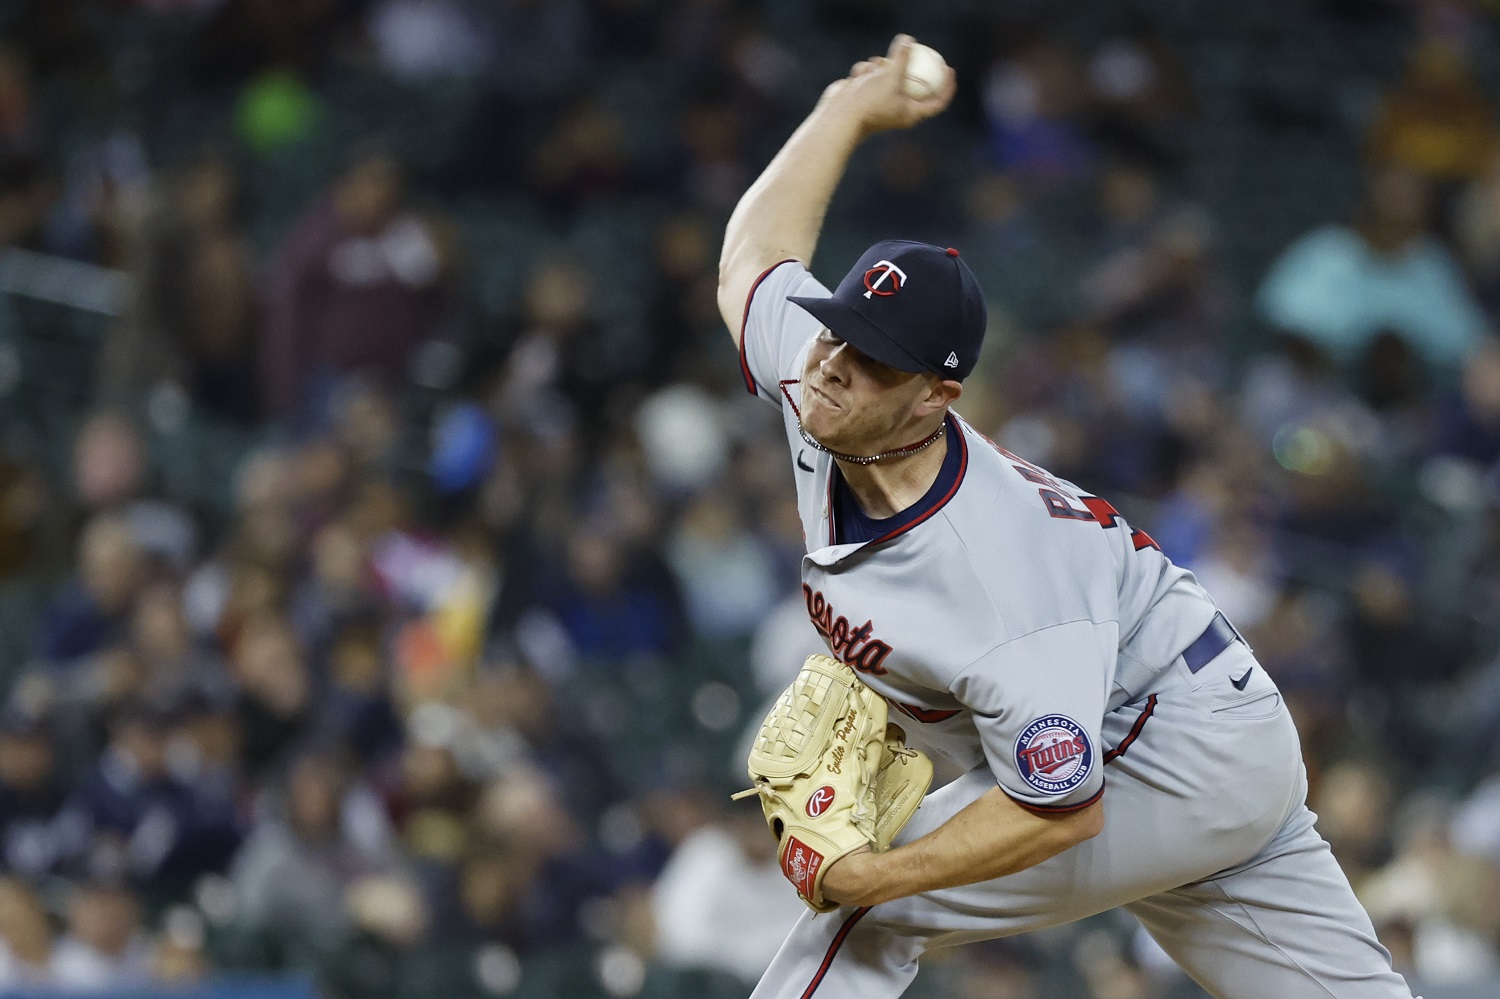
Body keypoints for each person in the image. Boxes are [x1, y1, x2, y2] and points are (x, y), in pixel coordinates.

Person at [716, 35, 1418, 999]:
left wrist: (870, 873)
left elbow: (1058, 810)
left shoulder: (999, 577)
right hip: (1194, 727)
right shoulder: (823, 381)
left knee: (864, 915)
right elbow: (753, 262)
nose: (834, 363)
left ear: (936, 397)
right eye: (838, 330)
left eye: (873, 356)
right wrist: (846, 109)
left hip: (1167, 750)